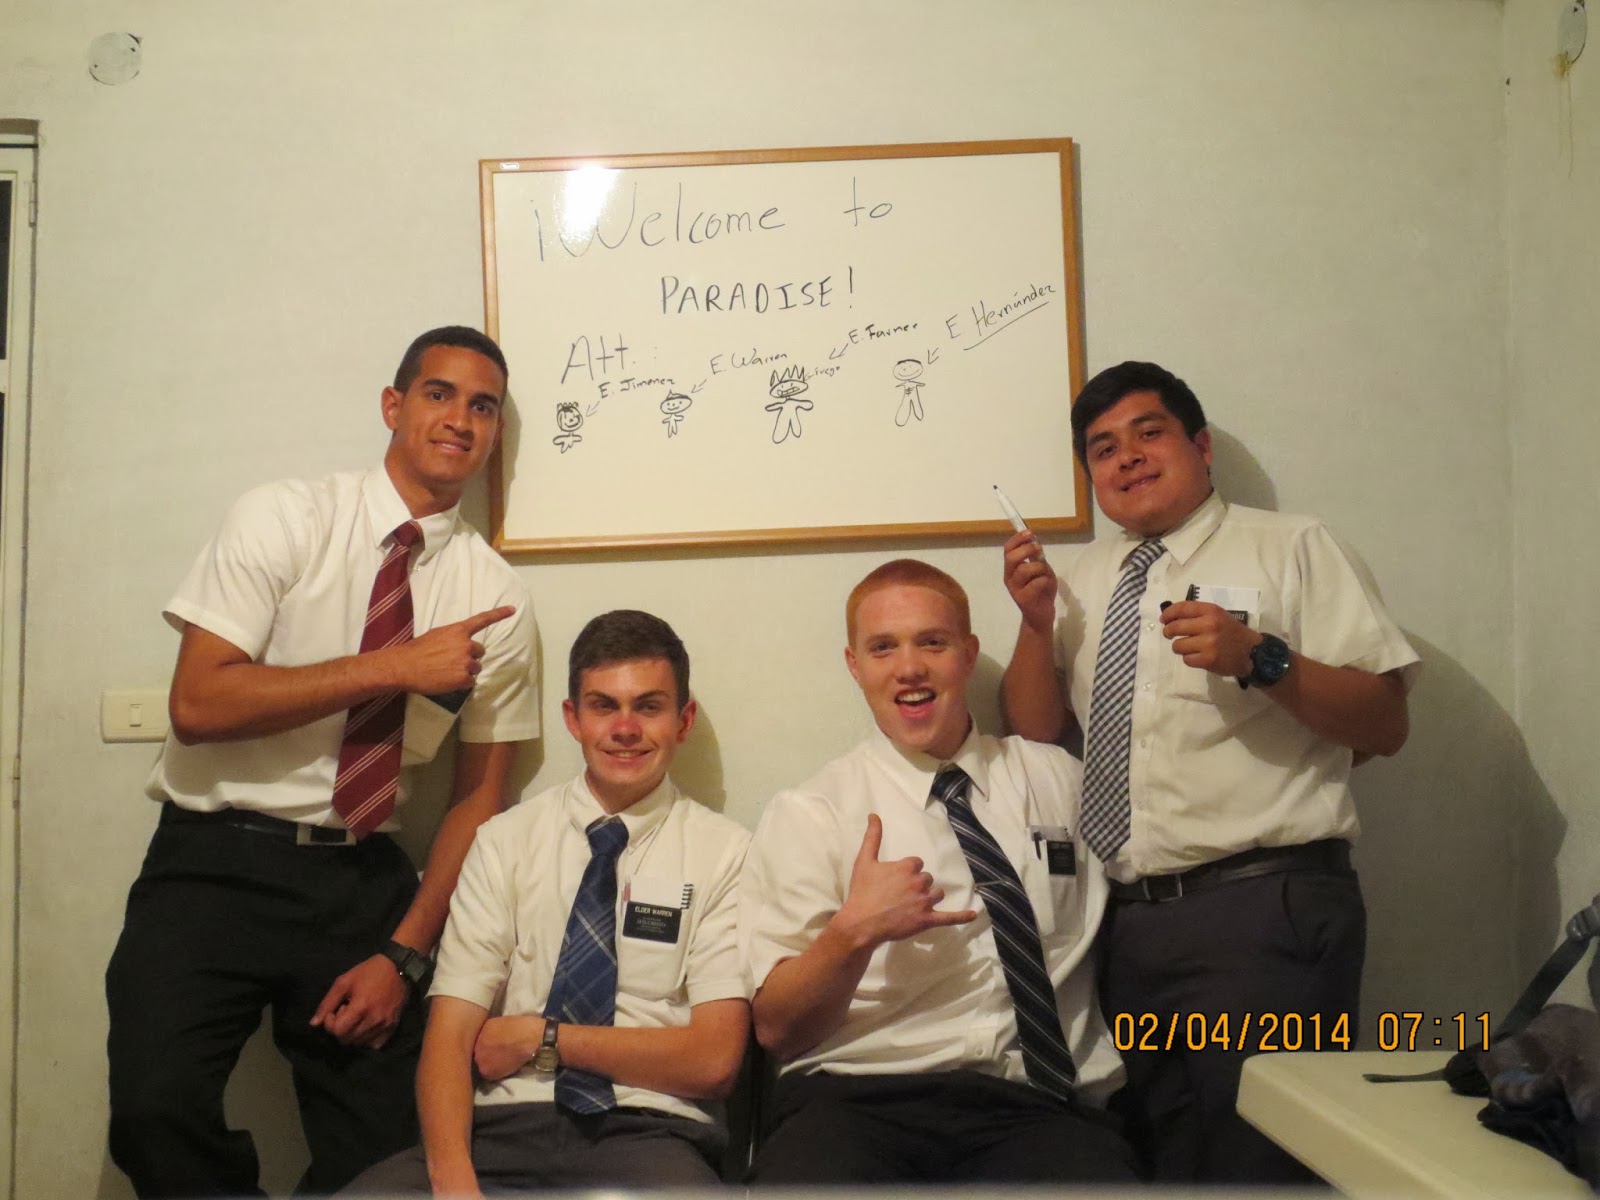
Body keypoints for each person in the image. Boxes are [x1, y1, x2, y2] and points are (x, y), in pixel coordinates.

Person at [106, 326, 539, 1198]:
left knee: (385, 1160)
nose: (460, 419)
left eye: (483, 406)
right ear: (393, 405)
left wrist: (405, 955)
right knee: (155, 1112)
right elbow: (198, 704)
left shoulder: (496, 596)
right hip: (212, 860)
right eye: (439, 393)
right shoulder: (285, 516)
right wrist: (395, 667)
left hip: (358, 880)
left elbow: (478, 799)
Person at [1000, 359, 1421, 1183]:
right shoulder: (1082, 578)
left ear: (1200, 446)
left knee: (1262, 1162)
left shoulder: (1290, 545)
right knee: (1161, 1160)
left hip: (1262, 911)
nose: (1127, 457)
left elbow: (1386, 723)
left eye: (1149, 433)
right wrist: (1034, 621)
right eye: (1103, 449)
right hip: (1126, 926)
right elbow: (1038, 731)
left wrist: (1260, 656)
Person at [740, 559, 1136, 1185]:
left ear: (968, 654)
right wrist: (852, 934)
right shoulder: (812, 814)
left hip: (1038, 1109)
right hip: (858, 1101)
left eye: (932, 642)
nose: (909, 668)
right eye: (883, 648)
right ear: (854, 666)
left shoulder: (1056, 781)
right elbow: (777, 1030)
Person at [344, 610, 750, 1196]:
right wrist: (454, 1180)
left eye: (649, 706)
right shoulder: (504, 842)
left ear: (682, 721)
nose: (625, 728)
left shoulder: (727, 854)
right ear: (572, 718)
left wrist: (541, 1036)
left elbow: (713, 1061)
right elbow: (451, 1036)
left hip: (648, 1135)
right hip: (496, 1129)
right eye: (604, 705)